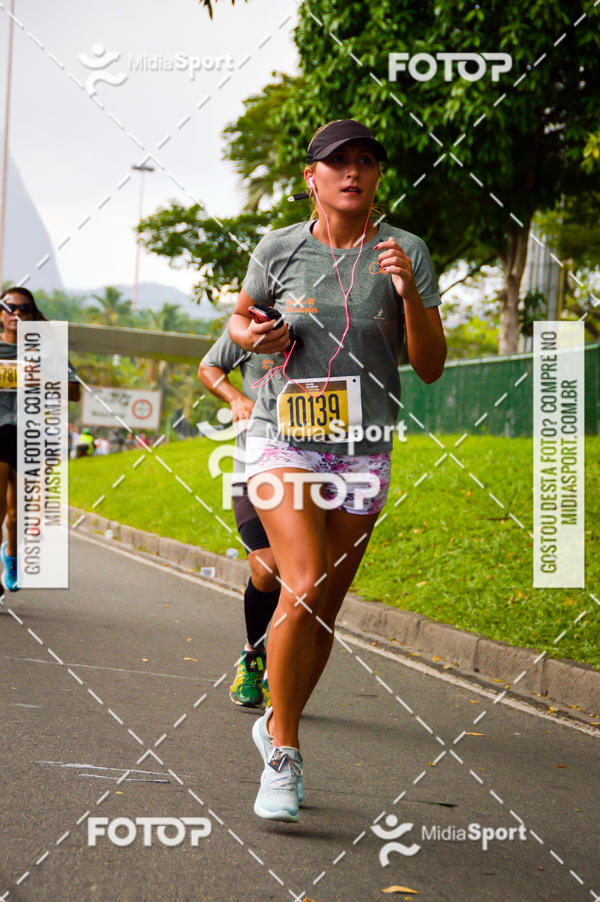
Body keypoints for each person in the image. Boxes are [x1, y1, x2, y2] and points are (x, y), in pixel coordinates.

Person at [228, 119, 446, 822]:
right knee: (305, 577)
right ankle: (284, 751)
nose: (353, 171)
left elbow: (431, 365)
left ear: (378, 176)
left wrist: (409, 292)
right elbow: (239, 321)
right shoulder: (279, 247)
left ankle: (276, 722)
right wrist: (255, 334)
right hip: (281, 435)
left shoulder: (405, 251)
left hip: (363, 444)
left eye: (366, 161)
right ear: (311, 177)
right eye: (338, 162)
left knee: (323, 608)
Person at [198, 329, 281, 708]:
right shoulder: (255, 324)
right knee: (266, 569)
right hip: (255, 468)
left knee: (305, 581)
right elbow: (209, 366)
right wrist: (236, 398)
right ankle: (252, 654)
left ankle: (282, 674)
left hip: (321, 468)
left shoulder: (337, 322)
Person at [0, 287, 81, 592]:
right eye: (9, 307)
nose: (16, 313)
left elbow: (74, 391)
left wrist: (44, 378)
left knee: (15, 513)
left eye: (24, 308)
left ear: (34, 315)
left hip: (27, 435)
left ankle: (11, 556)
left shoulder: (46, 350)